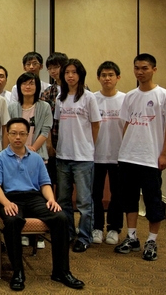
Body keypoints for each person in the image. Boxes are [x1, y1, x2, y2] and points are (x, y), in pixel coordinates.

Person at [0, 118, 85, 291]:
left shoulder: (36, 158)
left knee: (60, 218)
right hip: (10, 197)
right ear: (8, 134)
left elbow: (44, 183)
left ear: (28, 135)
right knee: (12, 221)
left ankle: (61, 271)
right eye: (13, 133)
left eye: (22, 134)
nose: (17, 137)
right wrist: (5, 203)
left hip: (34, 197)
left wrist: (51, 199)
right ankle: (18, 272)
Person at [114, 53, 166, 261]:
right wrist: (123, 151)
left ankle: (152, 240)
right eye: (137, 68)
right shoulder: (130, 96)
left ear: (154, 69)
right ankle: (131, 236)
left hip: (151, 158)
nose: (140, 72)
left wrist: (164, 153)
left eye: (144, 68)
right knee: (129, 199)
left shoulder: (164, 96)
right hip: (128, 157)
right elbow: (126, 124)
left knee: (153, 201)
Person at [55, 58, 101, 253]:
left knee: (83, 201)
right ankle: (68, 233)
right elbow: (56, 127)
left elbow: (96, 125)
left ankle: (84, 236)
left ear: (80, 75)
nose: (70, 76)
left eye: (74, 72)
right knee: (63, 200)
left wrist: (89, 146)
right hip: (62, 156)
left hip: (83, 157)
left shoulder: (89, 97)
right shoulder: (60, 98)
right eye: (67, 73)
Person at [7, 72, 53, 248]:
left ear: (37, 87)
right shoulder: (12, 107)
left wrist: (31, 149)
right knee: (19, 195)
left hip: (37, 157)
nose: (28, 87)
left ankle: (38, 235)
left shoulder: (44, 107)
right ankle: (23, 232)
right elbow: (10, 131)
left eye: (31, 83)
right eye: (24, 84)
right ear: (19, 87)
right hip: (15, 156)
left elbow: (45, 130)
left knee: (38, 196)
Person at [92, 61, 125, 245]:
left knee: (117, 194)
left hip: (119, 155)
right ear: (98, 78)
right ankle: (96, 227)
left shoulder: (126, 99)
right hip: (95, 155)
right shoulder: (92, 98)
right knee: (95, 194)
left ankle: (114, 228)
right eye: (103, 75)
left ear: (118, 77)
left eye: (111, 75)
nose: (107, 78)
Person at [40, 52, 69, 187]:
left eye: (56, 67)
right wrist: (49, 143)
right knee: (52, 180)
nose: (53, 71)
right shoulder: (47, 93)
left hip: (75, 144)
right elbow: (45, 121)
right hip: (54, 141)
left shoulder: (81, 91)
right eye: (50, 68)